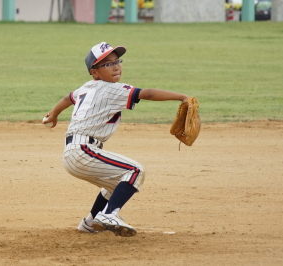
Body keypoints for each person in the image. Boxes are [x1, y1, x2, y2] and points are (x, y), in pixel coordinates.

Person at [42, 42, 188, 237]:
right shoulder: (112, 89)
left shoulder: (86, 87)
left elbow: (68, 98)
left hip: (74, 153)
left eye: (117, 61)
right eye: (108, 64)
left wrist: (53, 114)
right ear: (94, 72)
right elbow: (147, 93)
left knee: (116, 185)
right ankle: (110, 214)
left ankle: (90, 222)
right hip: (84, 151)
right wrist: (182, 97)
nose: (116, 66)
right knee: (135, 170)